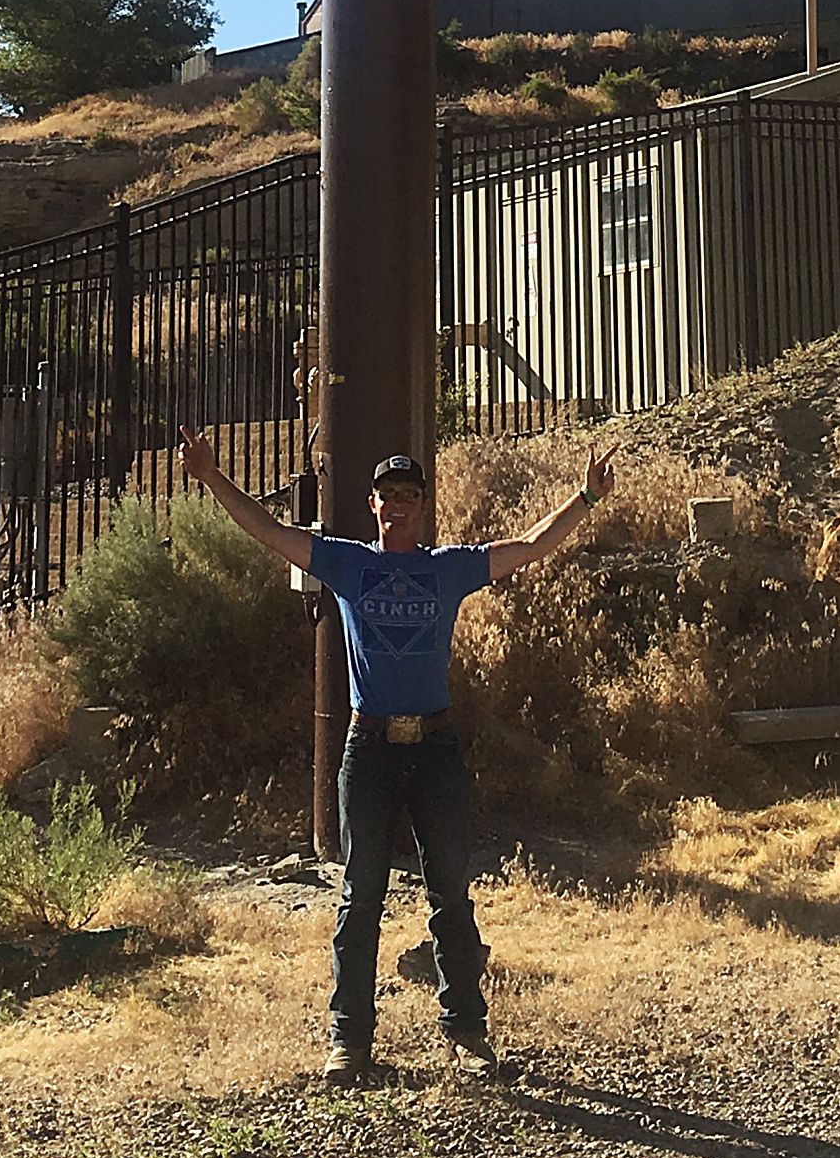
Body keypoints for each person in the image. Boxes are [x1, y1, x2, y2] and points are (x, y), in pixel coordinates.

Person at [176, 429, 617, 1081]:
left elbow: (527, 547)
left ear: (423, 505)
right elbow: (269, 531)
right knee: (360, 897)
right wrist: (212, 477)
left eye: (410, 494)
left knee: (451, 894)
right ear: (373, 504)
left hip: (435, 748)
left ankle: (466, 1030)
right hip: (369, 750)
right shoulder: (349, 565)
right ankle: (349, 1040)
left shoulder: (447, 568)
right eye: (389, 495)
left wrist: (586, 498)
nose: (399, 505)